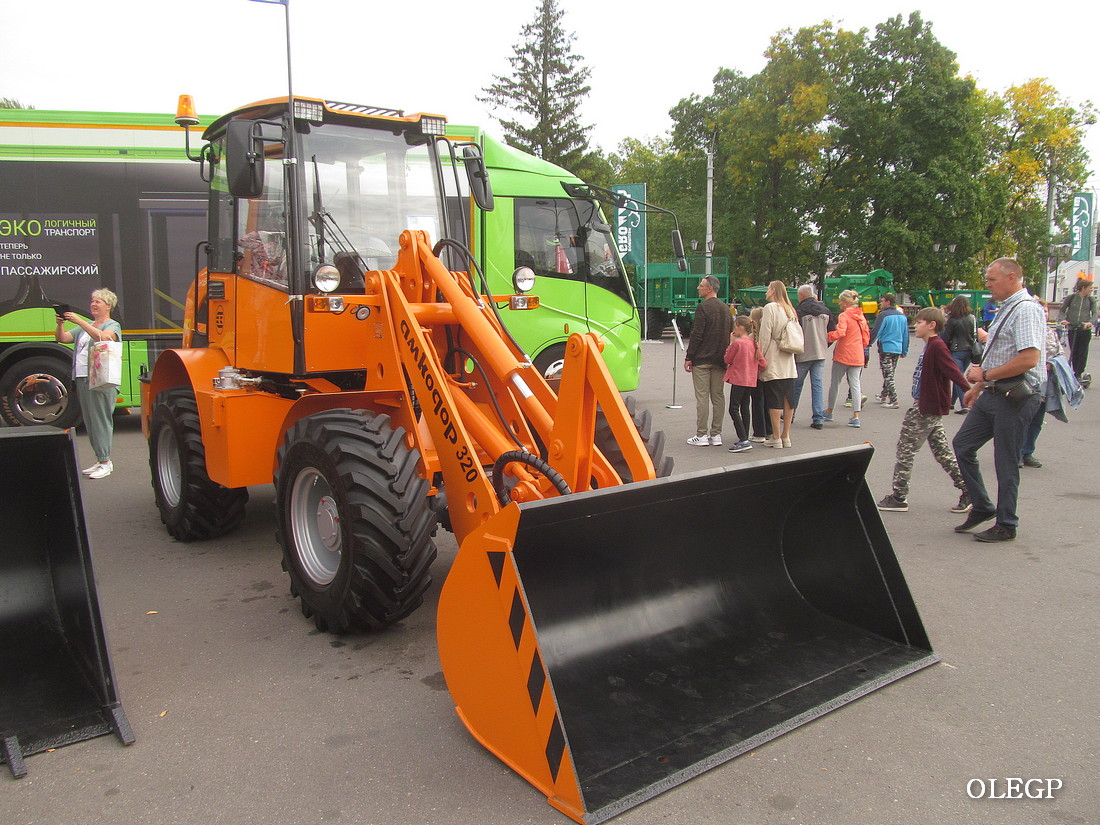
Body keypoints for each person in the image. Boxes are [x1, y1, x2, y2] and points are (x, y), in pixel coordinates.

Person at [952, 258, 1047, 542]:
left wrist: (986, 374)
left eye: (992, 279)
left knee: (1005, 460)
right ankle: (982, 506)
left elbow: (1029, 359)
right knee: (963, 444)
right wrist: (978, 386)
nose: (988, 284)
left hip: (1015, 395)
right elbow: (1000, 352)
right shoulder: (1008, 307)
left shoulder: (1026, 310)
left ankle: (1007, 523)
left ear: (1012, 277)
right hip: (994, 391)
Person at [876, 307, 972, 514]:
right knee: (942, 453)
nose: (915, 325)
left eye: (919, 322)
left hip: (925, 408)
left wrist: (969, 391)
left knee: (905, 450)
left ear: (932, 325)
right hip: (928, 406)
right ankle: (969, 489)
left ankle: (899, 496)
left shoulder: (937, 346)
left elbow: (953, 370)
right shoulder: (931, 346)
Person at [55, 288, 122, 479]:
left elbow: (104, 337)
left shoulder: (112, 325)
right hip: (83, 378)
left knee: (100, 420)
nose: (93, 304)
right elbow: (62, 338)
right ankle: (100, 459)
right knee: (91, 421)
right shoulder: (89, 325)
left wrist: (80, 321)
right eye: (92, 300)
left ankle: (106, 462)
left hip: (101, 379)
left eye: (98, 301)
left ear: (108, 306)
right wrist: (60, 324)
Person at [684, 275, 734, 446]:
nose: (698, 287)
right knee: (718, 396)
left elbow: (697, 334)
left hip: (702, 359)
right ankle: (716, 434)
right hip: (720, 359)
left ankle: (701, 434)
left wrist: (689, 356)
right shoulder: (726, 309)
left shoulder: (703, 308)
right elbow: (731, 334)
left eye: (701, 285)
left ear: (710, 288)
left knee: (702, 397)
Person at [1020, 297, 1065, 469]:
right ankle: (1016, 453)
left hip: (1047, 381)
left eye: (1046, 311)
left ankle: (1027, 452)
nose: (1044, 314)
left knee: (1037, 420)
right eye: (1042, 310)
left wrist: (1053, 363)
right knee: (1023, 419)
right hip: (1028, 381)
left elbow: (1060, 352)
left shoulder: (1051, 332)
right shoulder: (1028, 331)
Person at [757, 280, 798, 448]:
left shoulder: (770, 308)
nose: (766, 291)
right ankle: (786, 435)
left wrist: (759, 356)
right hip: (788, 356)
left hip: (773, 356)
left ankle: (776, 436)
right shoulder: (790, 309)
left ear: (773, 290)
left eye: (768, 288)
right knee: (788, 398)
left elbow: (765, 335)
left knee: (773, 397)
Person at [824, 289, 871, 428]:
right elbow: (866, 337)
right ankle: (856, 416)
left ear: (845, 302)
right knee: (855, 385)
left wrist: (827, 336)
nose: (839, 303)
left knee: (835, 383)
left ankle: (829, 411)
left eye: (840, 301)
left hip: (844, 354)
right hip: (857, 354)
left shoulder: (844, 316)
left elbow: (840, 333)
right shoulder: (861, 316)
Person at [793, 283, 835, 430]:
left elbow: (794, 334)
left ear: (802, 296)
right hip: (820, 353)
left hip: (803, 353)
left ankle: (790, 414)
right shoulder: (826, 311)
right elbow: (832, 333)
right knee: (817, 385)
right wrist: (824, 345)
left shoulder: (799, 312)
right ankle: (818, 418)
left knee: (796, 385)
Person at [724, 315, 767, 453]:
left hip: (738, 379)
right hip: (750, 380)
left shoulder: (738, 343)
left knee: (733, 408)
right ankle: (745, 436)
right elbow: (763, 363)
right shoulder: (754, 344)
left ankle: (743, 439)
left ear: (740, 327)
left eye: (735, 327)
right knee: (745, 407)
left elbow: (727, 359)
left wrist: (730, 343)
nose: (733, 330)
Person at [867, 293, 908, 408]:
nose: (881, 303)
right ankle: (883, 395)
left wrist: (868, 343)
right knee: (890, 372)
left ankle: (894, 400)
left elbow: (876, 331)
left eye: (882, 301)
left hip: (886, 347)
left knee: (888, 374)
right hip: (898, 348)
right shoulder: (902, 316)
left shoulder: (883, 315)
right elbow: (905, 334)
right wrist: (905, 349)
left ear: (888, 302)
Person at [943, 295, 979, 414]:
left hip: (956, 350)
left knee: (957, 378)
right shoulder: (972, 318)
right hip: (969, 351)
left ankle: (964, 404)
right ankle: (951, 403)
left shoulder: (952, 320)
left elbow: (946, 338)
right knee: (958, 376)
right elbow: (975, 335)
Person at [1059, 277, 1096, 381]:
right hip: (1073, 328)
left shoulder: (1091, 299)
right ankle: (1074, 372)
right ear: (1083, 288)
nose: (1091, 290)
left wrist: (1090, 323)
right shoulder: (1071, 298)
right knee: (1074, 351)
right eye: (1090, 288)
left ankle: (1079, 373)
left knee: (1083, 352)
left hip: (1084, 330)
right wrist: (1063, 320)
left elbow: (1094, 313)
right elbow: (1062, 310)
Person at [746, 306, 772, 442]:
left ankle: (759, 432)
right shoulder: (768, 334)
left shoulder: (751, 337)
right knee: (767, 402)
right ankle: (769, 430)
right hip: (768, 372)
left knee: (757, 402)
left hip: (754, 374)